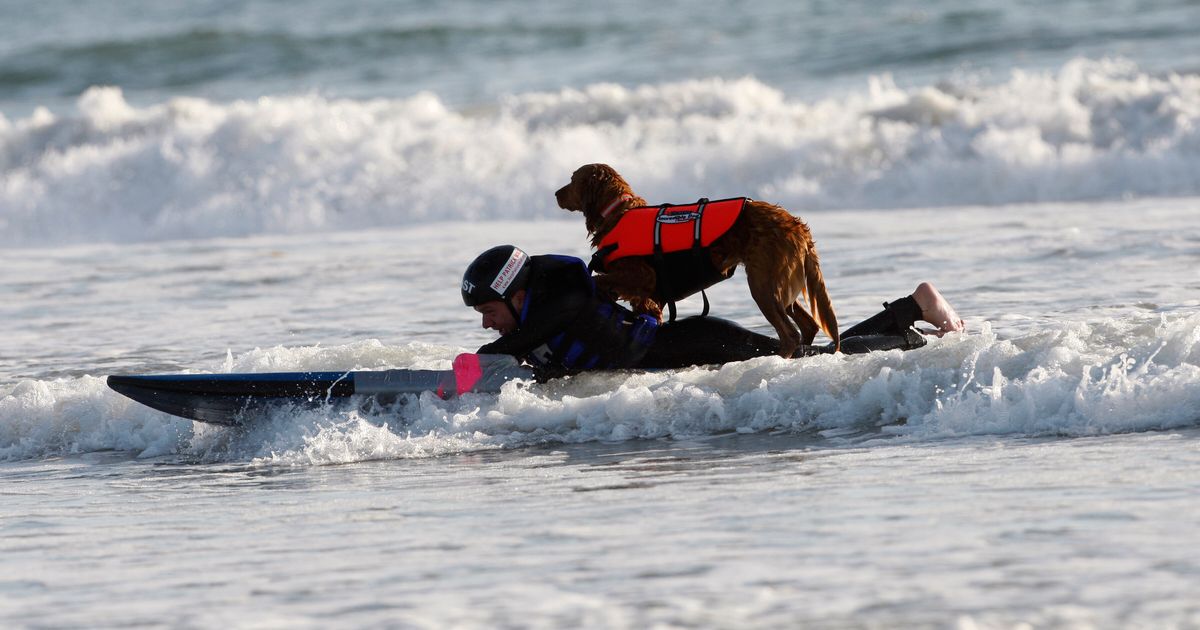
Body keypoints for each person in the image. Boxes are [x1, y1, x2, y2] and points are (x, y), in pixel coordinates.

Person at [462, 245, 964, 379]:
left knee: (813, 362)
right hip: (691, 342)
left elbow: (501, 349)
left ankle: (914, 317)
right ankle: (909, 313)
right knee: (810, 356)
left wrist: (447, 383)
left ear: (515, 294)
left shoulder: (559, 304)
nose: (487, 321)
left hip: (701, 341)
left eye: (488, 309)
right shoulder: (537, 314)